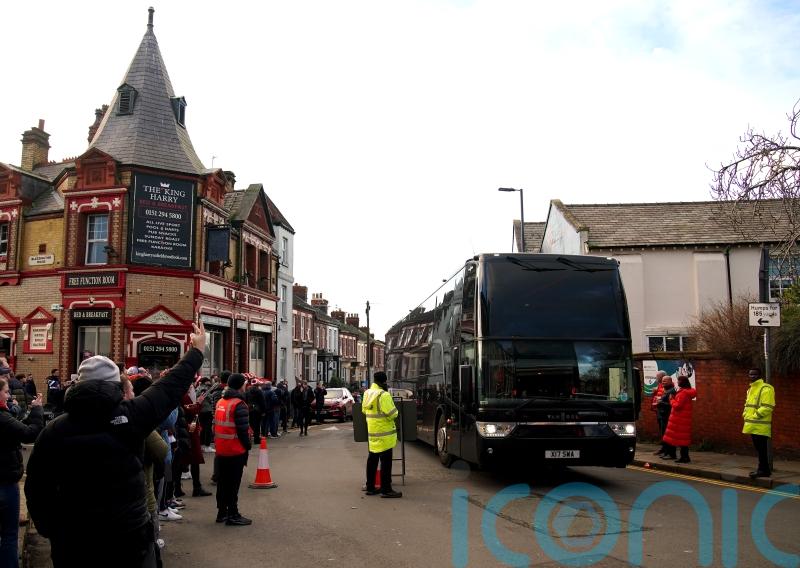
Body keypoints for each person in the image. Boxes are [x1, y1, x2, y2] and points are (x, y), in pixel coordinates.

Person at [24, 321, 207, 568]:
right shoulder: (132, 416)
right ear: (116, 385)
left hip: (74, 540)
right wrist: (196, 351)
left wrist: (54, 530)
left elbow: (37, 487)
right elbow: (168, 387)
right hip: (128, 536)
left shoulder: (53, 431)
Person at [0, 379, 43, 566]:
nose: (9, 395)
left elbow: (15, 428)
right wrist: (37, 410)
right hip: (5, 482)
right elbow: (29, 433)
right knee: (9, 535)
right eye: (6, 391)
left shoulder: (5, 416)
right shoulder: (2, 417)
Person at [213, 373, 252, 526]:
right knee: (233, 484)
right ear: (239, 385)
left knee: (223, 483)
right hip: (235, 450)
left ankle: (222, 512)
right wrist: (247, 445)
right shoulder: (239, 404)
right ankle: (233, 514)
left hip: (221, 449)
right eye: (244, 383)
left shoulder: (221, 402)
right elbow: (243, 431)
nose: (245, 385)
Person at [362, 372, 402, 498]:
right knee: (386, 462)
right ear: (383, 382)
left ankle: (370, 487)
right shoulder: (384, 395)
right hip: (385, 435)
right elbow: (393, 414)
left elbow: (364, 410)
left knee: (372, 460)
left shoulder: (367, 393)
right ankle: (386, 489)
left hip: (373, 433)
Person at [743, 368, 775, 479]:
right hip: (752, 424)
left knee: (762, 450)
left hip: (761, 425)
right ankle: (764, 470)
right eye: (750, 374)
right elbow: (747, 405)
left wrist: (755, 415)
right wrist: (745, 414)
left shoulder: (766, 388)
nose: (752, 376)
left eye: (754, 374)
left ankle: (763, 470)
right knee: (759, 449)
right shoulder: (751, 389)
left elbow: (768, 407)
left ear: (759, 375)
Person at [661, 375, 696, 463]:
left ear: (682, 382)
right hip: (683, 419)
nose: (677, 382)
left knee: (682, 440)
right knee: (682, 439)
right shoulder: (686, 392)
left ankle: (684, 457)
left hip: (680, 419)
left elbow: (677, 406)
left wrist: (671, 400)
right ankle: (684, 457)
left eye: (678, 381)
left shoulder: (683, 393)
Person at [654, 375, 676, 457]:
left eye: (665, 381)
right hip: (663, 415)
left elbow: (671, 405)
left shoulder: (671, 391)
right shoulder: (666, 390)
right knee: (664, 435)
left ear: (670, 381)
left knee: (668, 436)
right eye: (662, 381)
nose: (663, 382)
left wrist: (660, 402)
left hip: (667, 416)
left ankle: (670, 453)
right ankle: (666, 452)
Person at [246, 379, 266, 444]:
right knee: (257, 425)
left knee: (250, 424)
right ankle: (256, 439)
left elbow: (245, 400)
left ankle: (249, 438)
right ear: (257, 385)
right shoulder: (259, 391)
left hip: (249, 409)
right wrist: (263, 411)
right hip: (257, 410)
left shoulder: (247, 391)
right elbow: (262, 402)